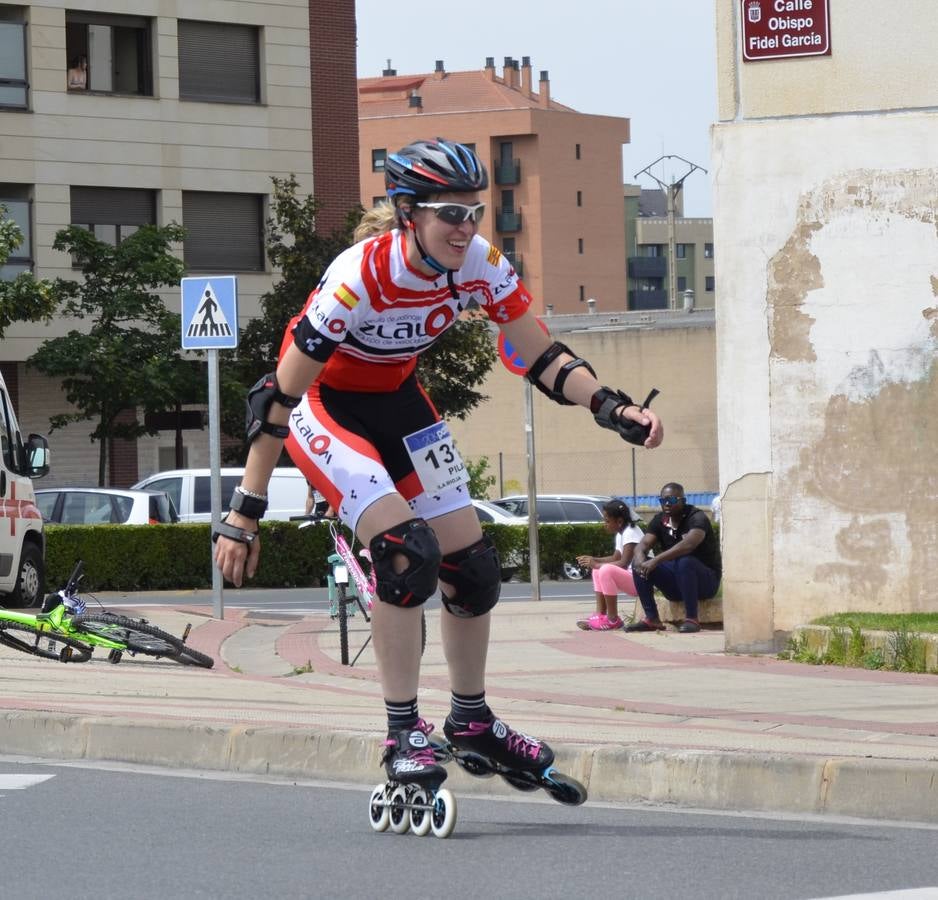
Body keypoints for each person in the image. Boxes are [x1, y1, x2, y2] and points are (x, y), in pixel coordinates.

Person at [213, 138, 663, 789]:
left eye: (474, 212)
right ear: (408, 213)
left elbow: (541, 355)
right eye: (450, 213)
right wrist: (243, 512)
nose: (465, 227)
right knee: (406, 553)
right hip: (325, 404)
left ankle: (471, 720)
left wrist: (612, 407)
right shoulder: (360, 275)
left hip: (399, 401)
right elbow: (276, 398)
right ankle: (402, 732)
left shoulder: (480, 263)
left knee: (473, 569)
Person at [625, 482, 721, 634]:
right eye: (663, 500)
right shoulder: (660, 520)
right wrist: (639, 558)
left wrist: (656, 560)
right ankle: (652, 619)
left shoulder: (696, 517)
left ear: (683, 500)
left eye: (672, 500)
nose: (667, 504)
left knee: (685, 561)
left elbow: (688, 545)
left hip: (705, 583)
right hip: (677, 584)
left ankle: (692, 619)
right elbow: (642, 545)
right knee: (639, 564)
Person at [574, 498, 643, 631]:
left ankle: (613, 619)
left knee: (605, 570)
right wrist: (594, 560)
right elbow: (615, 557)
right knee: (597, 570)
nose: (604, 524)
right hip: (632, 577)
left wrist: (596, 564)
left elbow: (623, 563)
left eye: (607, 521)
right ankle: (600, 616)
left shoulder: (631, 532)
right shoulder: (621, 533)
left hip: (642, 581)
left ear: (619, 521)